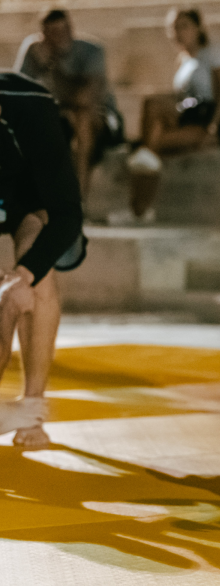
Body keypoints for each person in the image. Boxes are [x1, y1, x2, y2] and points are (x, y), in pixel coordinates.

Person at [0, 73, 86, 449]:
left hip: (28, 199)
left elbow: (67, 216)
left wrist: (22, 275)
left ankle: (33, 407)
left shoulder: (30, 107)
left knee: (33, 279)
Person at [113, 8, 220, 225]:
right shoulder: (181, 60)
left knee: (147, 148)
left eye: (184, 26)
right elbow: (181, 97)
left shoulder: (214, 52)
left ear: (198, 28)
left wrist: (213, 127)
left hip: (206, 120)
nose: (178, 32)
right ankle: (140, 210)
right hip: (185, 115)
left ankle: (139, 211)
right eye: (174, 28)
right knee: (150, 151)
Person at [14, 9, 125, 200]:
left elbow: (84, 98)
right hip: (59, 117)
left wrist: (51, 66)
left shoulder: (92, 51)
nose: (59, 38)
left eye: (63, 31)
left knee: (81, 119)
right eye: (52, 33)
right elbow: (16, 91)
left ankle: (77, 202)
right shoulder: (34, 50)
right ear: (44, 35)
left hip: (101, 119)